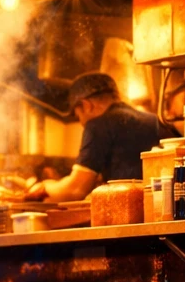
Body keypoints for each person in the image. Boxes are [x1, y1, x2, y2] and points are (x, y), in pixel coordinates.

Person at [27, 72, 177, 202]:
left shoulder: (98, 125)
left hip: (130, 214)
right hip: (164, 209)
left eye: (78, 115)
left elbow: (75, 190)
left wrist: (45, 186)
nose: (81, 123)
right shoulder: (155, 120)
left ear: (87, 105)